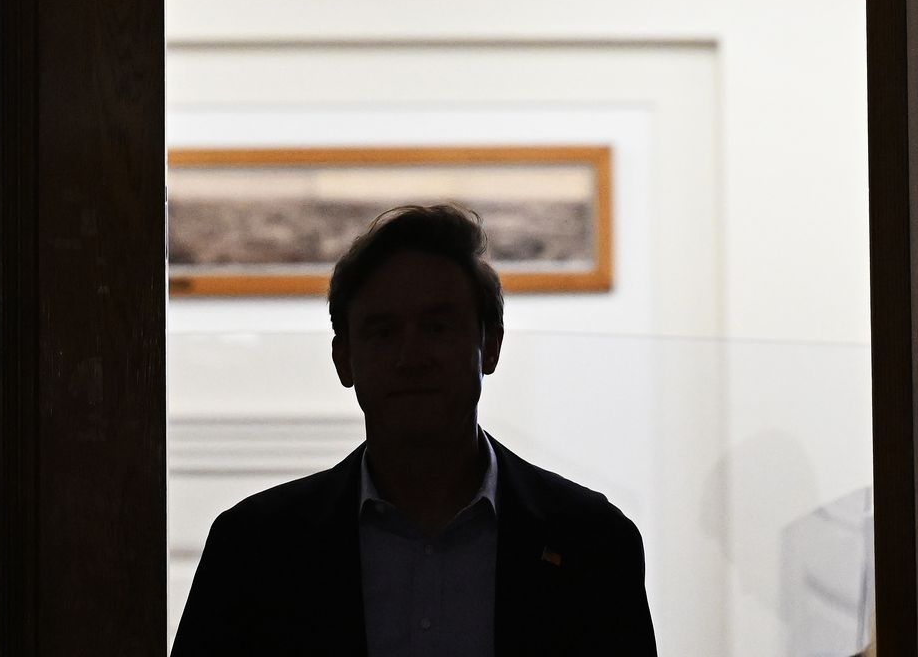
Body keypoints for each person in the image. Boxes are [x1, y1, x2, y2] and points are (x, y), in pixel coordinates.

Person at [172, 204, 659, 657]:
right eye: (384, 332)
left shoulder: (594, 542)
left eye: (438, 327)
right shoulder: (253, 550)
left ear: (490, 346)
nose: (411, 358)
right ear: (344, 359)